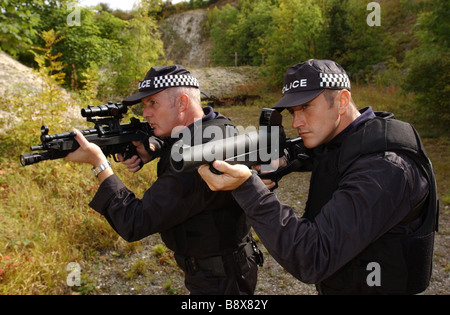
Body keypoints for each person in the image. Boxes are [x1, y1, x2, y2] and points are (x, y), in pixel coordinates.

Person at [198, 59, 439, 295]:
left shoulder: (385, 168)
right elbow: (314, 153)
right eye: (293, 110)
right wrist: (281, 159)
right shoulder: (348, 140)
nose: (296, 121)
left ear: (342, 101)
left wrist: (249, 189)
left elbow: (311, 257)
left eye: (306, 107)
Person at [66, 65, 261, 295]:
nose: (145, 113)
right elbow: (181, 137)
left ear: (182, 103)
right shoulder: (216, 126)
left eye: (153, 103)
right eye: (144, 105)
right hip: (227, 268)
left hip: (219, 281)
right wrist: (153, 148)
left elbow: (134, 222)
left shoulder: (195, 156)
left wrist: (99, 163)